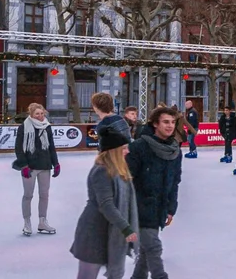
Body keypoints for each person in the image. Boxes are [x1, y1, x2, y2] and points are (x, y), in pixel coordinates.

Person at [70, 125, 137, 279]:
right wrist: (126, 228)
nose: (127, 151)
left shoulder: (119, 170)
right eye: (124, 148)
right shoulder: (102, 171)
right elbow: (106, 205)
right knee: (87, 276)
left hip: (109, 230)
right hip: (94, 232)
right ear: (114, 151)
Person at [127, 106, 182, 279]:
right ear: (155, 124)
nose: (170, 126)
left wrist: (171, 208)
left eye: (173, 122)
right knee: (153, 247)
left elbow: (175, 182)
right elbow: (126, 180)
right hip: (139, 207)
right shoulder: (139, 147)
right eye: (166, 122)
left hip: (159, 207)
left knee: (145, 253)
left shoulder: (175, 151)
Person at [16, 102, 61, 237]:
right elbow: (19, 148)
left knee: (44, 195)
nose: (40, 116)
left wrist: (56, 163)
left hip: (45, 166)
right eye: (37, 114)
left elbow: (51, 146)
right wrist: (23, 165)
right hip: (30, 167)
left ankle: (42, 221)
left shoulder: (47, 127)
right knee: (28, 195)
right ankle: (27, 222)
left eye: (42, 113)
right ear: (31, 114)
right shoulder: (24, 127)